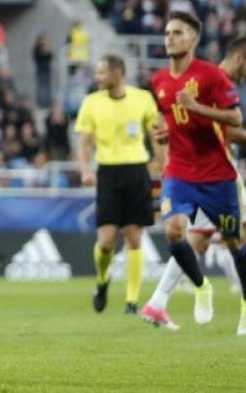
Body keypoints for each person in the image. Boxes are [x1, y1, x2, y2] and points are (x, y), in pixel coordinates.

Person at [141, 36, 246, 331]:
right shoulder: (213, 80)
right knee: (220, 237)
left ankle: (159, 302)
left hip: (214, 170)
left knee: (212, 237)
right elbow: (230, 131)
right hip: (210, 174)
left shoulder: (209, 78)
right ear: (239, 59)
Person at [75, 54, 164, 315]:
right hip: (108, 173)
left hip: (137, 171)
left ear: (117, 73)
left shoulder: (142, 98)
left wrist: (165, 165)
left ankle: (131, 301)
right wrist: (84, 170)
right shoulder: (92, 102)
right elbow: (83, 141)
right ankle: (102, 281)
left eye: (102, 73)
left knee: (135, 237)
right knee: (105, 241)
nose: (97, 77)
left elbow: (156, 135)